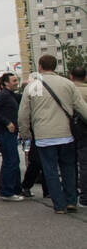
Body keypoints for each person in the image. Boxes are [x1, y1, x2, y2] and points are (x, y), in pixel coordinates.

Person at [17, 54, 87, 213]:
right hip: (66, 134)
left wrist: (25, 132)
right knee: (69, 168)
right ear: (55, 66)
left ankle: (59, 205)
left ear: (40, 66)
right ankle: (71, 201)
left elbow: (23, 113)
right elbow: (81, 107)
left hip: (43, 137)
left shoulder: (33, 86)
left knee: (50, 171)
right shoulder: (68, 84)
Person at [0, 72, 23, 201]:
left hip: (10, 133)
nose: (16, 82)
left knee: (14, 161)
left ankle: (16, 189)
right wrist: (7, 122)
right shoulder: (2, 95)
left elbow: (23, 98)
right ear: (6, 83)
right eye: (13, 80)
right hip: (4, 132)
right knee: (10, 161)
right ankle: (6, 192)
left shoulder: (11, 95)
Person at [72, 65, 87, 207]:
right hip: (84, 130)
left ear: (71, 76)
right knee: (84, 163)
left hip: (68, 130)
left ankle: (72, 195)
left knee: (69, 164)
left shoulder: (67, 90)